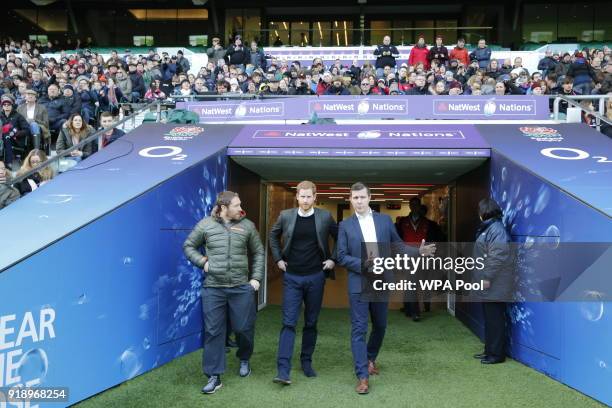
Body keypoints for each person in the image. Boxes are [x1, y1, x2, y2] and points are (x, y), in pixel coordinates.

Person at [337, 182, 435, 394]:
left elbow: (398, 247)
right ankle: (362, 376)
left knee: (380, 326)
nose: (359, 201)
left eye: (362, 197)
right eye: (355, 198)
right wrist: (364, 263)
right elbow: (341, 256)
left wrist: (419, 251)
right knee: (359, 329)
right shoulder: (345, 226)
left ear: (369, 198)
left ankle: (370, 358)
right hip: (359, 282)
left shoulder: (384, 221)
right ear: (350, 200)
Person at [183, 191, 264, 394]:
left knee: (243, 328)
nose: (240, 208)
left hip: (240, 287)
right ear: (223, 208)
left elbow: (259, 252)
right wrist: (203, 262)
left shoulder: (247, 226)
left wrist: (255, 279)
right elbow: (189, 246)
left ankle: (244, 357)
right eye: (236, 205)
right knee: (213, 332)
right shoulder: (205, 224)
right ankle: (214, 376)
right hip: (213, 288)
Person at [269, 181, 338, 385]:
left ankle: (306, 362)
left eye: (309, 197)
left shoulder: (324, 216)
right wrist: (278, 259)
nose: (306, 200)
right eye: (302, 196)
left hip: (316, 276)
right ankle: (283, 370)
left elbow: (340, 236)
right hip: (292, 276)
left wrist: (333, 259)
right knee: (288, 322)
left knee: (311, 322)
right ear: (297, 197)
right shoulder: (286, 216)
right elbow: (273, 235)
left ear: (315, 198)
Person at [472, 198, 514, 365]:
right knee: (490, 318)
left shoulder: (496, 229)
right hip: (490, 282)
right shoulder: (490, 227)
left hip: (495, 283)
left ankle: (496, 355)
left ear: (484, 212)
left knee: (495, 319)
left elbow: (497, 256)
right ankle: (489, 350)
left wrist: (486, 277)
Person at [0, 94, 31, 169]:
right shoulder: (0, 116)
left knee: (6, 136)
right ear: (2, 106)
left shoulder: (18, 116)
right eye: (4, 104)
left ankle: (9, 163)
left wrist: (16, 134)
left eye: (8, 104)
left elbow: (27, 129)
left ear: (12, 105)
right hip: (2, 138)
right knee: (5, 136)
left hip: (16, 139)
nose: (6, 106)